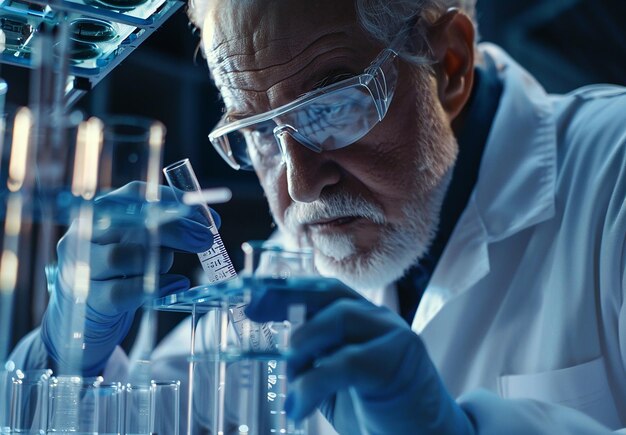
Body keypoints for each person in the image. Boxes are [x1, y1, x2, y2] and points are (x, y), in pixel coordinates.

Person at [9, 0, 626, 433]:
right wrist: (69, 357)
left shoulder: (612, 179)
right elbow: (162, 418)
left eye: (333, 109)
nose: (302, 185)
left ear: (449, 68)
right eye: (259, 135)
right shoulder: (287, 269)